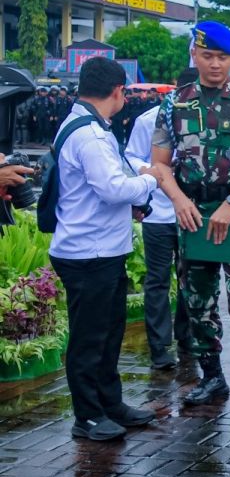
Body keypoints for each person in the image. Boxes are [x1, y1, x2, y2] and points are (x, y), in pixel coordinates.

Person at [151, 21, 230, 422]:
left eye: (222, 57)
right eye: (208, 56)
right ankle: (212, 377)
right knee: (198, 303)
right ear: (194, 56)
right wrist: (179, 199)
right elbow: (160, 165)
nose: (215, 64)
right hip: (192, 215)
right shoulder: (174, 103)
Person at [49, 57, 169, 441]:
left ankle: (109, 403)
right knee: (90, 339)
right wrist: (149, 180)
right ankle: (87, 416)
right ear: (118, 91)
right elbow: (113, 188)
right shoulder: (90, 134)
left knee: (109, 333)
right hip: (88, 253)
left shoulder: (89, 126)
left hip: (103, 249)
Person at [124, 71, 195, 370]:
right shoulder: (149, 118)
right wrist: (151, 171)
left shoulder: (207, 120)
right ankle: (159, 346)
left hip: (192, 212)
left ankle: (187, 334)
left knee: (191, 278)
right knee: (157, 279)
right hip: (160, 213)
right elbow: (131, 154)